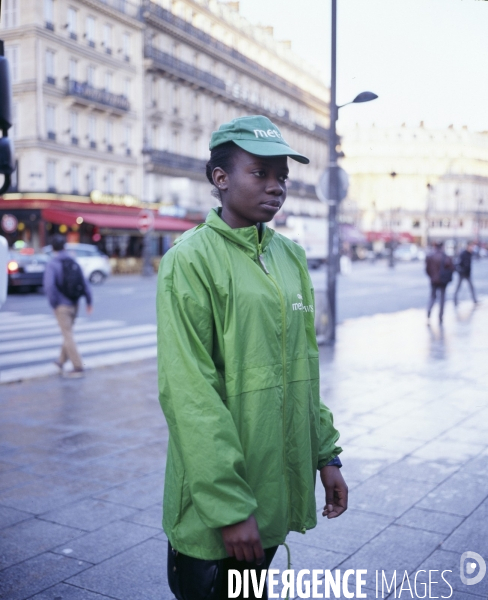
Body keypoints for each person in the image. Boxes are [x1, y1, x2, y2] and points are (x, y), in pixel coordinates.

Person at [156, 115, 347, 600]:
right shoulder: (189, 260)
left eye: (281, 176)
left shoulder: (291, 257)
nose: (276, 187)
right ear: (220, 178)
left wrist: (326, 455)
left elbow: (304, 369)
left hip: (272, 492)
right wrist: (230, 507)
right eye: (259, 173)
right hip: (219, 514)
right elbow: (189, 394)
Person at [43, 234, 93, 378]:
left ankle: (78, 366)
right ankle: (60, 361)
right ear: (64, 246)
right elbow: (84, 282)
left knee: (68, 335)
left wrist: (54, 304)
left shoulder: (53, 263)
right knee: (68, 333)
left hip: (62, 305)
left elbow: (50, 287)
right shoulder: (73, 260)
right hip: (75, 303)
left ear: (53, 248)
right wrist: (89, 301)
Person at [425, 241, 454, 324]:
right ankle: (440, 316)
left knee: (432, 297)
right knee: (442, 298)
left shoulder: (430, 256)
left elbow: (427, 269)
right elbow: (452, 268)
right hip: (442, 280)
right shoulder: (445, 256)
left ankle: (429, 310)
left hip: (433, 280)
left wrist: (432, 276)